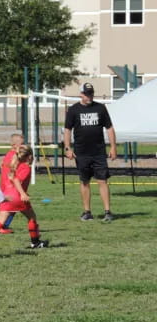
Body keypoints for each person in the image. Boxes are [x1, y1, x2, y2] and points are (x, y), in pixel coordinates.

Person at [64, 82, 117, 222]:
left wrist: (113, 147)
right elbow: (67, 130)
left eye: (91, 93)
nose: (90, 96)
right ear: (81, 94)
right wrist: (68, 148)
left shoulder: (100, 108)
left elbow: (110, 128)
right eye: (87, 94)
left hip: (98, 152)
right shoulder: (73, 110)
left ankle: (107, 212)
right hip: (81, 153)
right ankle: (87, 212)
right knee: (84, 181)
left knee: (102, 181)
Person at [0, 145, 49, 249]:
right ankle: (35, 242)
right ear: (30, 157)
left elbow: (8, 177)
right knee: (32, 218)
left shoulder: (13, 165)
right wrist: (23, 193)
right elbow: (16, 180)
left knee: (0, 222)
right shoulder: (25, 167)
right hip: (17, 197)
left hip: (7, 195)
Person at [0, 133, 25, 234]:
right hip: (9, 187)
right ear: (14, 146)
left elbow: (2, 166)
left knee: (10, 207)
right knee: (11, 206)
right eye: (21, 144)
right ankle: (1, 226)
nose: (23, 146)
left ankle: (1, 225)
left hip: (8, 186)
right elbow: (10, 169)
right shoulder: (13, 156)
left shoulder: (10, 155)